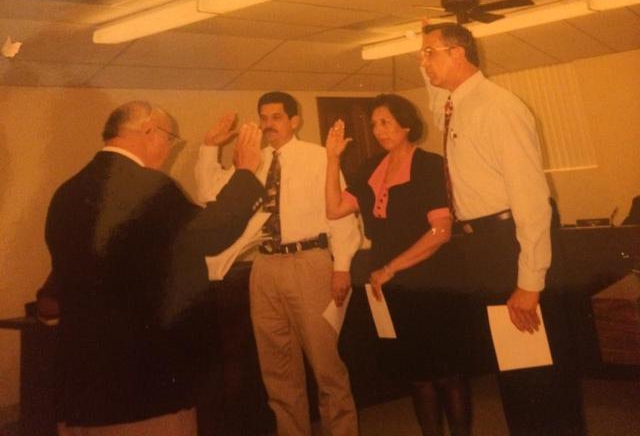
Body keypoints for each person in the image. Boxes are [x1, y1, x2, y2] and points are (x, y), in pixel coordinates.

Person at [45, 100, 265, 436]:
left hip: (82, 388)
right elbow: (212, 233)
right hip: (143, 389)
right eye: (170, 138)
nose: (168, 147)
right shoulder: (149, 188)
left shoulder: (65, 194)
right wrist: (246, 173)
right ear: (149, 131)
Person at [420, 22, 585, 435]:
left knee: (540, 372)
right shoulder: (456, 106)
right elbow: (436, 97)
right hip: (486, 250)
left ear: (458, 54)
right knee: (514, 370)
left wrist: (530, 280)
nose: (423, 62)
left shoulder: (498, 107)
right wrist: (423, 39)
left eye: (429, 53)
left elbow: (530, 198)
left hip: (510, 243)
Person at [195, 92, 361, 436]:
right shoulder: (254, 161)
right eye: (264, 118)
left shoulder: (318, 157)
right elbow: (209, 194)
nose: (269, 124)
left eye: (277, 117)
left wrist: (342, 265)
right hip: (265, 267)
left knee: (326, 367)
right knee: (278, 370)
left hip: (310, 262)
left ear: (294, 121)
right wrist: (209, 147)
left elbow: (341, 213)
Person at [325, 94, 472, 436]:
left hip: (432, 280)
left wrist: (392, 267)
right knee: (418, 375)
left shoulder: (429, 165)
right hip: (392, 286)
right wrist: (332, 160)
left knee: (447, 372)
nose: (378, 130)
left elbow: (441, 231)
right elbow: (333, 209)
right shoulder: (369, 169)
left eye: (386, 122)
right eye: (374, 123)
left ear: (406, 125)